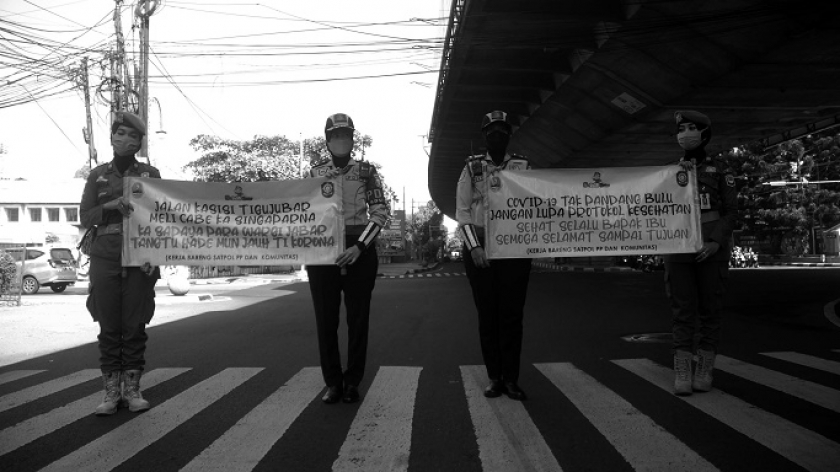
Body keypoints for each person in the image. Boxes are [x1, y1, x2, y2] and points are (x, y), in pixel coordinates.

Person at [80, 111, 161, 415]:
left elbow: (161, 218)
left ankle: (134, 389)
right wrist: (111, 205)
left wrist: (154, 257)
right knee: (109, 325)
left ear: (140, 142)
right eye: (120, 134)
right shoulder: (97, 175)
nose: (125, 140)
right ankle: (111, 393)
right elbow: (85, 216)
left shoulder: (151, 175)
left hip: (140, 257)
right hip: (105, 255)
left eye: (133, 136)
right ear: (112, 138)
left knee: (135, 324)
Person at [307, 113, 390, 404]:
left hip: (359, 248)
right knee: (325, 321)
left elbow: (380, 211)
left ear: (353, 139)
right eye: (335, 136)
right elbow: (301, 213)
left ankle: (353, 381)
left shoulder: (368, 172)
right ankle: (333, 383)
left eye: (346, 135)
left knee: (358, 320)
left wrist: (360, 247)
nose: (341, 140)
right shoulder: (314, 175)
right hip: (322, 250)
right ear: (327, 141)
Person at [456, 110, 532, 401]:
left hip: (515, 248)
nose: (496, 135)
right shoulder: (471, 168)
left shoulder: (523, 166)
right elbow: (462, 213)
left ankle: (512, 378)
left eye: (501, 130)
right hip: (480, 247)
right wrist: (474, 246)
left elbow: (536, 204)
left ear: (509, 134)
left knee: (512, 316)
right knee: (487, 316)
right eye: (491, 131)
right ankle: (494, 378)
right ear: (484, 136)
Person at [665, 110, 737, 396]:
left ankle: (704, 368)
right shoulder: (668, 173)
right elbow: (658, 211)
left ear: (704, 134)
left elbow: (731, 213)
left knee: (710, 311)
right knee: (682, 312)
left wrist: (716, 242)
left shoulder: (720, 172)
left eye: (692, 128)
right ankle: (683, 370)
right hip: (679, 250)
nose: (685, 133)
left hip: (711, 250)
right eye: (681, 128)